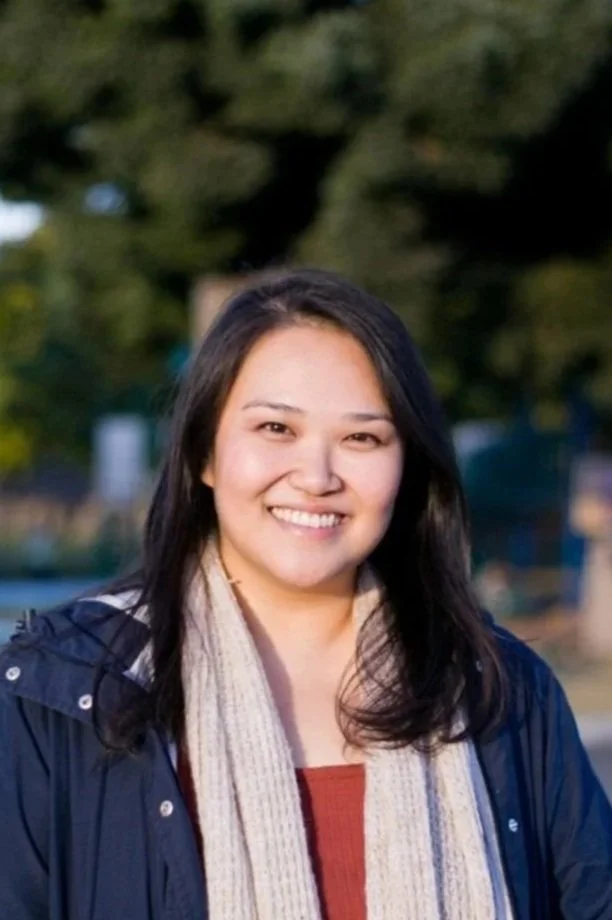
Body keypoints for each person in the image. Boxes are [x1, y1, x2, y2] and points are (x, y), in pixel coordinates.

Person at [1, 268, 611, 920]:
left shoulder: (498, 690)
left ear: (406, 468)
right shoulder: (63, 693)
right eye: (275, 429)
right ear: (204, 453)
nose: (317, 477)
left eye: (361, 438)